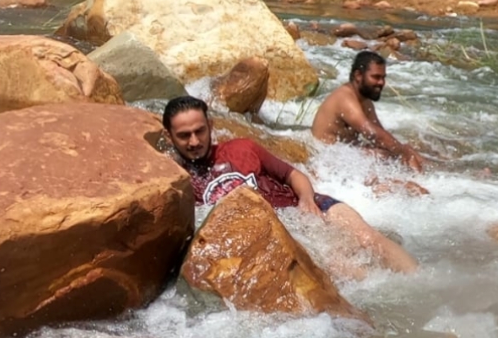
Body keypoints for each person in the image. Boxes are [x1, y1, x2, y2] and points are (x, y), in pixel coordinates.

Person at [162, 95, 417, 273]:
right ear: (169, 136)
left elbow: (293, 175)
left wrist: (307, 200)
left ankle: (422, 282)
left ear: (210, 126)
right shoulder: (178, 180)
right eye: (184, 135)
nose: (194, 141)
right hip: (284, 233)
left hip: (308, 207)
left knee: (368, 238)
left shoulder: (242, 148)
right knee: (341, 267)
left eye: (200, 131)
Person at [311, 51, 425, 172]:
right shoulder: (345, 98)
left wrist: (405, 151)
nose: (381, 82)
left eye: (383, 77)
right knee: (387, 155)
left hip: (342, 155)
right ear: (358, 75)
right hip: (324, 161)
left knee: (403, 152)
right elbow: (373, 134)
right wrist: (402, 152)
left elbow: (380, 134)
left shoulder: (364, 101)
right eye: (376, 77)